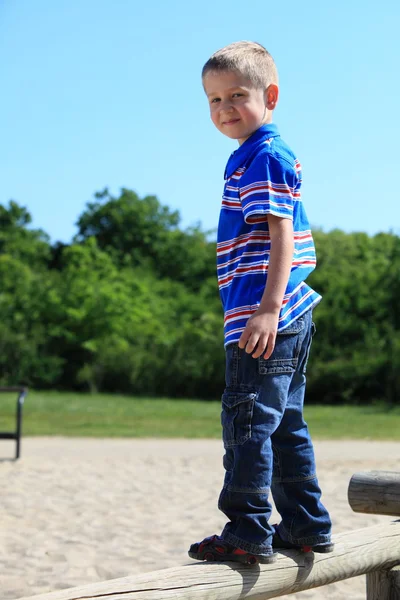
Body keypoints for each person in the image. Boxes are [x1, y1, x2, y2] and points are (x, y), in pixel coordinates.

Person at [188, 41, 333, 565]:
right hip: (284, 313)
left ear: (269, 95)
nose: (224, 108)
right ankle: (306, 526)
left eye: (237, 95)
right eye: (212, 100)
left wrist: (267, 309)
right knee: (284, 421)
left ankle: (248, 531)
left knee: (247, 419)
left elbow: (282, 236)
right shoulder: (252, 154)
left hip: (267, 315)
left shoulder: (265, 154)